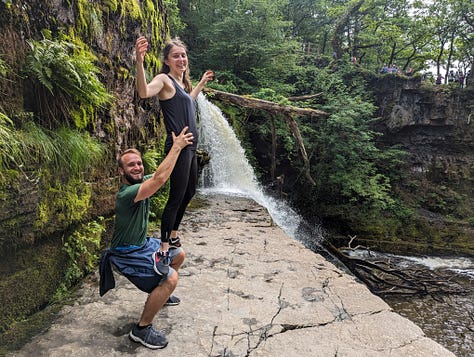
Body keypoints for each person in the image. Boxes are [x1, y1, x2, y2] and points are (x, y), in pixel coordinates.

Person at [99, 127, 194, 349]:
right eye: (131, 164)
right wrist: (178, 146)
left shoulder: (142, 182)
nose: (137, 167)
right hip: (126, 252)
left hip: (143, 244)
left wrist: (177, 150)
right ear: (121, 171)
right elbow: (161, 178)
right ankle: (141, 329)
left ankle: (160, 295)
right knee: (170, 278)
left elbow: (164, 172)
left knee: (179, 255)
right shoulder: (127, 193)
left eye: (139, 163)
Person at [135, 36, 213, 270]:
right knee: (176, 197)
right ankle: (163, 249)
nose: (181, 59)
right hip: (177, 148)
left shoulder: (181, 86)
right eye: (176, 56)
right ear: (167, 61)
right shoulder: (163, 80)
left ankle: (175, 233)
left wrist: (199, 84)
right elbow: (143, 92)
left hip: (190, 147)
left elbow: (187, 101)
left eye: (183, 55)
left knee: (189, 191)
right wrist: (139, 62)